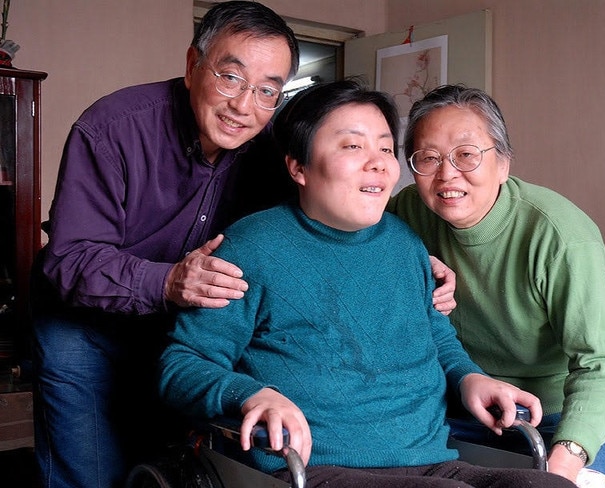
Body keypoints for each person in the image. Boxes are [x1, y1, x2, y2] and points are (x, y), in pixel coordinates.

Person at [158, 78, 576, 488]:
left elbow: (435, 338)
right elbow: (182, 364)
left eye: (385, 147)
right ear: (298, 166)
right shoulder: (251, 249)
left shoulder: (405, 243)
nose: (377, 162)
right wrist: (251, 394)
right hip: (314, 469)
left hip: (430, 462)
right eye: (353, 146)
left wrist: (470, 378)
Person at [28, 2, 302, 487]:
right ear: (193, 65)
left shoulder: (270, 149)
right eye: (231, 78)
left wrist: (405, 260)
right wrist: (170, 280)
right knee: (89, 472)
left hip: (184, 339)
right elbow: (69, 259)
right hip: (85, 329)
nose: (244, 106)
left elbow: (317, 219)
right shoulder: (112, 128)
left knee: (168, 470)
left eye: (267, 90)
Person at [387, 84, 605, 486]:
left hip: (561, 414)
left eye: (466, 155)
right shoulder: (407, 212)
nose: (447, 174)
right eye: (428, 158)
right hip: (465, 404)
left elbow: (601, 365)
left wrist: (563, 463)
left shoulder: (559, 236)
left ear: (503, 164)